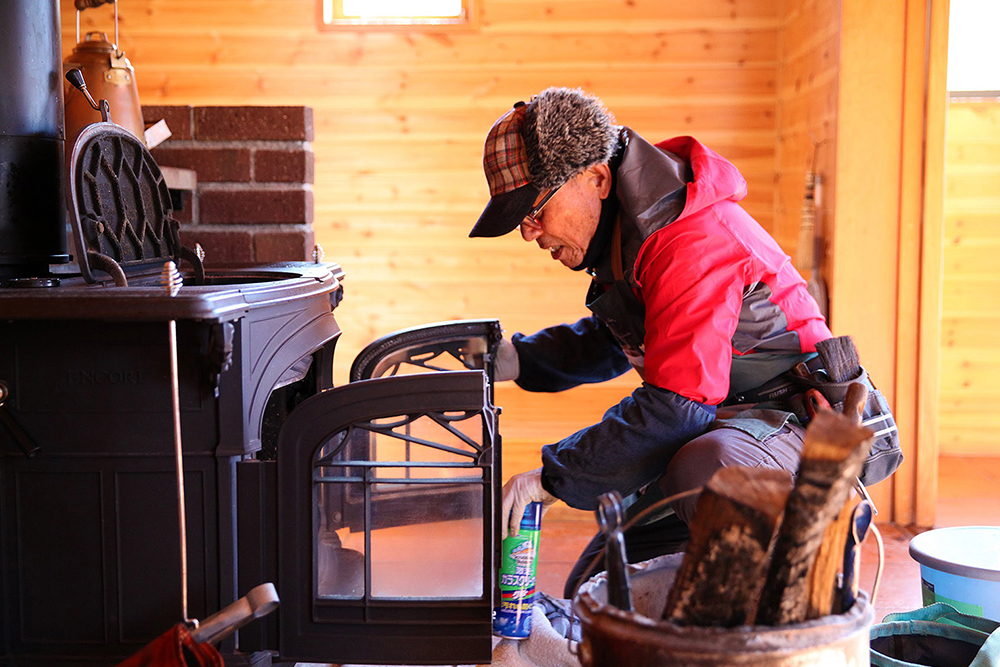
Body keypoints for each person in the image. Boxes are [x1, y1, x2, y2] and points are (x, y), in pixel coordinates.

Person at [469, 87, 901, 599]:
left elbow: (677, 408)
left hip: (792, 433)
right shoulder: (631, 236)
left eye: (535, 210)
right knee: (597, 591)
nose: (528, 233)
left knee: (707, 470)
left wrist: (550, 477)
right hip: (726, 430)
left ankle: (792, 607)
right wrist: (519, 359)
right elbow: (620, 341)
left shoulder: (690, 239)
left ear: (597, 178)